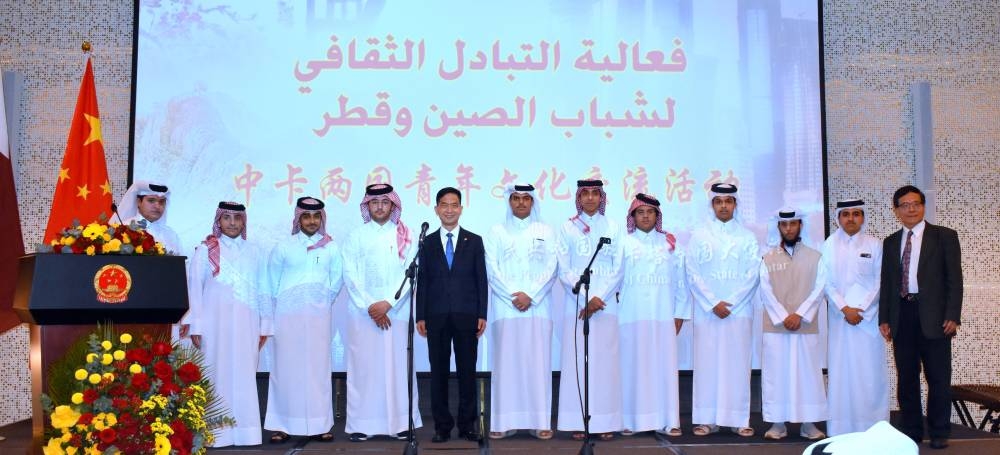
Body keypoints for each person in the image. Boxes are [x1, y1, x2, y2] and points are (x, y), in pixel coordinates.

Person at [878, 185, 962, 450]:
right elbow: (887, 283)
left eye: (916, 204)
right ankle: (911, 431)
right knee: (907, 378)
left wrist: (953, 315)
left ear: (923, 206)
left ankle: (939, 431)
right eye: (905, 205)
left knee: (938, 378)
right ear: (896, 210)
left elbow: (955, 279)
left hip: (936, 318)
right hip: (902, 315)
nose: (911, 209)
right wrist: (884, 318)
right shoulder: (890, 242)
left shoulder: (944, 236)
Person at [341, 184, 422, 442]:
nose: (379, 207)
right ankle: (361, 424)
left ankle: (400, 423)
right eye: (374, 202)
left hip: (396, 313)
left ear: (392, 205)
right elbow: (350, 275)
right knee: (364, 369)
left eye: (385, 202)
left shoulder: (405, 235)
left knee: (398, 369)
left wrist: (388, 303)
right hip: (363, 314)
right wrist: (371, 307)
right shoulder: (355, 237)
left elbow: (410, 273)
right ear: (367, 206)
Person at [184, 202, 269, 446]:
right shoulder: (205, 250)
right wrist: (196, 325)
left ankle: (246, 433)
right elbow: (195, 290)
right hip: (214, 325)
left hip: (247, 323)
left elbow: (264, 290)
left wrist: (265, 326)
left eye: (237, 218)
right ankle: (216, 435)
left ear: (243, 222)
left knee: (244, 374)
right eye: (227, 218)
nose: (232, 223)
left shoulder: (255, 252)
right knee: (215, 374)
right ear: (218, 221)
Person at [264, 196, 344, 443]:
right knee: (285, 370)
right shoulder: (284, 247)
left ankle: (320, 424)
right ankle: (282, 425)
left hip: (318, 318)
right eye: (306, 216)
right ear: (298, 218)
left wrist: (319, 301)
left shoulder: (331, 247)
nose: (311, 221)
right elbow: (272, 283)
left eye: (316, 216)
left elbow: (336, 280)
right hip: (287, 319)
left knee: (318, 370)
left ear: (321, 218)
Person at [484, 183, 558, 440]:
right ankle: (503, 422)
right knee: (506, 366)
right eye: (516, 198)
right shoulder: (496, 231)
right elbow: (492, 269)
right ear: (509, 201)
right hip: (506, 309)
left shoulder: (546, 231)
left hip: (539, 308)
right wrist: (513, 296)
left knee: (538, 366)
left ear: (533, 202)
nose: (521, 203)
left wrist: (532, 295)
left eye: (526, 198)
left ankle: (541, 422)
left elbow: (552, 267)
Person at [685, 183, 759, 437]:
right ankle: (707, 420)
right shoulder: (699, 235)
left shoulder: (747, 237)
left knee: (737, 365)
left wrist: (732, 303)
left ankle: (738, 419)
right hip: (707, 312)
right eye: (719, 201)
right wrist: (712, 302)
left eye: (728, 201)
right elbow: (692, 272)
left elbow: (753, 274)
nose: (724, 206)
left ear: (735, 204)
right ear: (712, 205)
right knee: (707, 365)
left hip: (739, 312)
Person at [416, 187, 489, 443]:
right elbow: (423, 281)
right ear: (436, 209)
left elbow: (481, 280)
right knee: (438, 374)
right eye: (444, 205)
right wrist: (420, 316)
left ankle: (467, 425)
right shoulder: (427, 243)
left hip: (467, 315)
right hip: (435, 316)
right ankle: (442, 427)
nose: (449, 209)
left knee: (467, 373)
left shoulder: (474, 240)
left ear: (461, 208)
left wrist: (482, 313)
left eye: (454, 205)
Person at [556, 179, 625, 441]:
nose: (590, 198)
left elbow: (619, 267)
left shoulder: (614, 227)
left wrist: (598, 298)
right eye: (585, 193)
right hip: (577, 304)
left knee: (605, 364)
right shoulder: (567, 227)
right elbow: (563, 268)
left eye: (595, 193)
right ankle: (578, 420)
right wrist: (585, 298)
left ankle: (605, 421)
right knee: (577, 362)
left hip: (605, 305)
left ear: (601, 197)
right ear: (579, 198)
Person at [618, 193, 690, 437]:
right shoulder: (623, 243)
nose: (645, 216)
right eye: (640, 212)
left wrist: (679, 314)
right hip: (630, 316)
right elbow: (614, 282)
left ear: (657, 216)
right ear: (633, 216)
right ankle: (629, 420)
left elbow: (681, 282)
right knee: (631, 367)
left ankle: (669, 420)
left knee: (664, 368)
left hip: (663, 316)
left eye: (650, 212)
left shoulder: (670, 244)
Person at [820, 199, 889, 436]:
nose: (851, 218)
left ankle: (874, 431)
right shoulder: (829, 245)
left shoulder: (875, 244)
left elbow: (881, 281)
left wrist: (861, 308)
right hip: (840, 320)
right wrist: (844, 308)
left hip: (867, 321)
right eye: (846, 214)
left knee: (870, 374)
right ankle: (841, 430)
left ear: (863, 217)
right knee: (841, 375)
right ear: (838, 218)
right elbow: (825, 282)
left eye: (856, 214)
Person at [758, 209, 828, 440]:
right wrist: (783, 316)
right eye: (784, 225)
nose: (788, 229)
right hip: (776, 327)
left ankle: (809, 424)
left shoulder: (815, 257)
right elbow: (766, 291)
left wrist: (799, 314)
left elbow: (819, 289)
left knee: (808, 375)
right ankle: (777, 424)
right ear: (778, 227)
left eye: (793, 224)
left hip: (804, 326)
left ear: (800, 226)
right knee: (776, 375)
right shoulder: (767, 258)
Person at [117, 180, 182, 254]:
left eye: (161, 202)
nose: (157, 206)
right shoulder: (123, 228)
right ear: (139, 202)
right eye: (151, 200)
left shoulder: (171, 234)